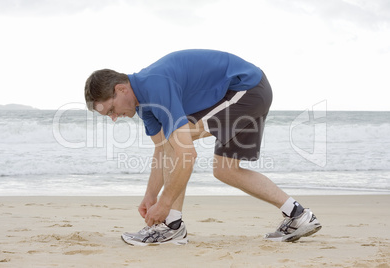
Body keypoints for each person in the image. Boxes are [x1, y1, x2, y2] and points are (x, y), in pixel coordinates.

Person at [84, 49, 322, 246]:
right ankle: (298, 214)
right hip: (249, 91)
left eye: (110, 110)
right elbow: (161, 152)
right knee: (225, 170)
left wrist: (164, 204)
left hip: (246, 87)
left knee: (180, 145)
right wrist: (150, 196)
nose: (113, 118)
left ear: (120, 89)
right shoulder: (144, 107)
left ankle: (172, 226)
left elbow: (185, 153)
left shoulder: (154, 84)